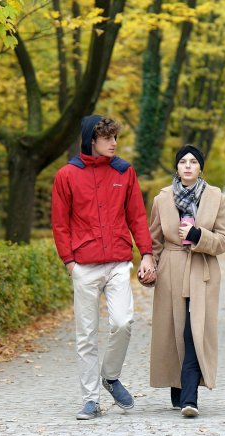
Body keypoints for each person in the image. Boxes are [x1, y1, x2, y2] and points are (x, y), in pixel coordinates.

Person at [51, 115, 157, 420]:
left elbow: (137, 216)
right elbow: (60, 223)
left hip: (118, 263)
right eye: (107, 138)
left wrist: (146, 254)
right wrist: (69, 262)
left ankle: (110, 377)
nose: (114, 143)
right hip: (83, 264)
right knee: (86, 334)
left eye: (115, 138)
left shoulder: (124, 172)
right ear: (91, 140)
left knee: (123, 322)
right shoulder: (67, 175)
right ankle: (90, 400)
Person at [149, 144, 225, 418]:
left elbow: (224, 240)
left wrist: (198, 236)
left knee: (194, 331)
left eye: (193, 161)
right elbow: (154, 241)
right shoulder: (162, 199)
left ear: (200, 167)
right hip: (171, 270)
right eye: (182, 161)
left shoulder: (216, 198)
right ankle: (178, 388)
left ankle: (190, 398)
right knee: (174, 329)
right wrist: (149, 266)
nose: (187, 165)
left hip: (202, 270)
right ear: (176, 167)